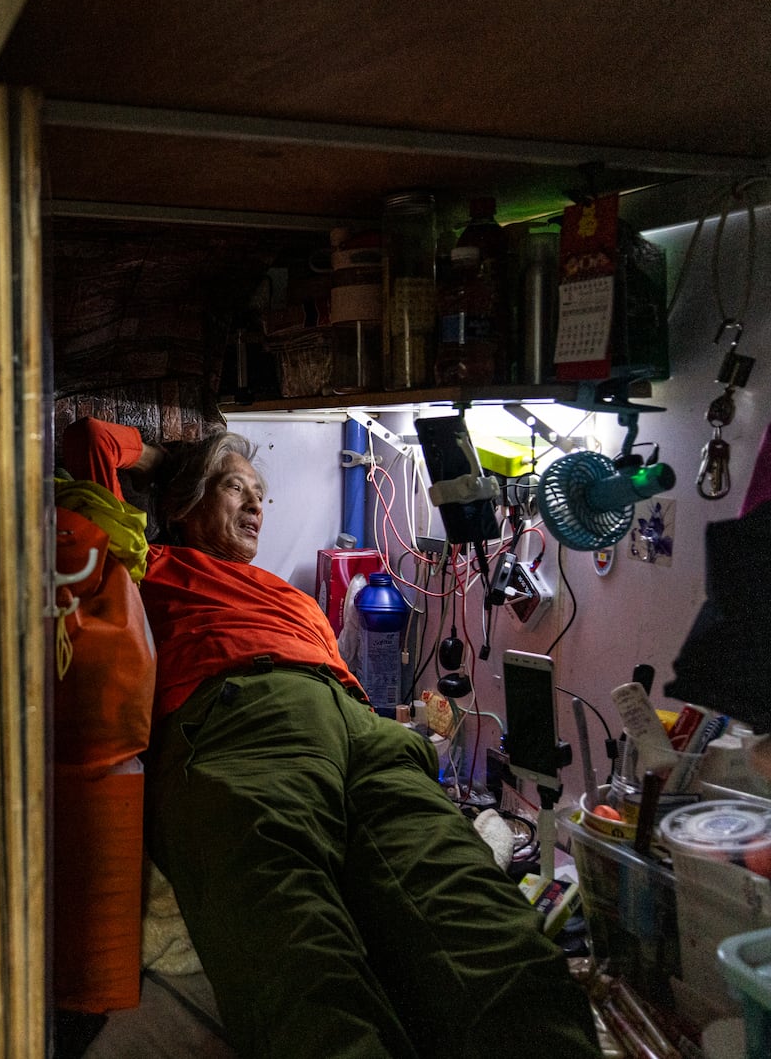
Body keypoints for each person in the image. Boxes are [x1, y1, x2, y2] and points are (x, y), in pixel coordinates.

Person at [63, 417, 599, 1059]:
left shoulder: (293, 597)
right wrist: (178, 461)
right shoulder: (147, 560)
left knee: (477, 918)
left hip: (367, 731)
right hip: (245, 719)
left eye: (261, 493)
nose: (257, 503)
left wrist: (219, 478)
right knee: (298, 957)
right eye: (236, 488)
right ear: (183, 505)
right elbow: (90, 443)